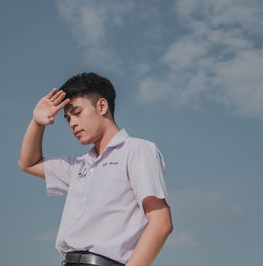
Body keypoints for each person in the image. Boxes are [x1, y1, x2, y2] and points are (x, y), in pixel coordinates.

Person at [18, 72, 173, 266]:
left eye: (77, 112)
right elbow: (28, 163)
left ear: (101, 106)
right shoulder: (79, 164)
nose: (72, 123)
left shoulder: (137, 150)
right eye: (67, 119)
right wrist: (37, 123)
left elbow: (161, 223)